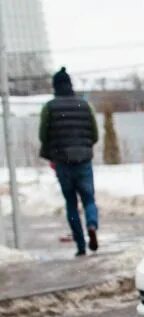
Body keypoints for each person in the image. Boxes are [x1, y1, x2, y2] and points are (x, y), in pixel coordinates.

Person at [38, 68, 99, 257]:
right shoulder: (85, 105)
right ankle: (91, 224)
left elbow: (43, 135)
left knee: (71, 203)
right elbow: (95, 133)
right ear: (70, 85)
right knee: (89, 199)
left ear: (55, 86)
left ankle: (80, 246)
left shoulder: (49, 107)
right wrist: (85, 147)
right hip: (83, 160)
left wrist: (50, 155)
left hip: (63, 162)